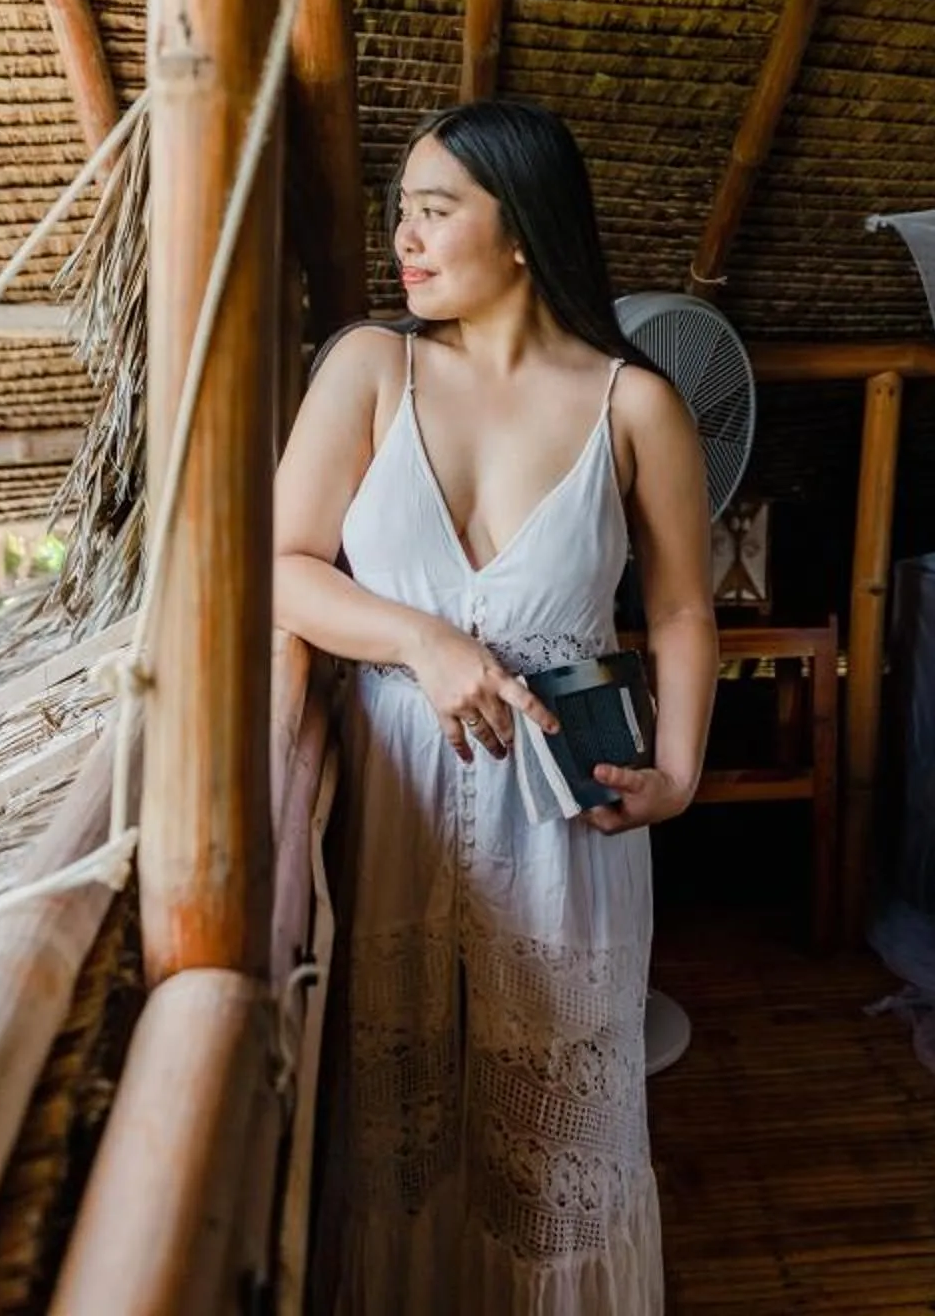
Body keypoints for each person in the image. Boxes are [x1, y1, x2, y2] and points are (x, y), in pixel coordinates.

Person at [275, 99, 717, 1315]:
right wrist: (422, 639)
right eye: (400, 212)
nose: (405, 239)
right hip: (391, 797)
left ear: (518, 229)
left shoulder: (637, 406)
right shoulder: (371, 368)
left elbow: (680, 608)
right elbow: (283, 563)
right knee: (398, 1121)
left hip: (565, 808)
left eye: (435, 209)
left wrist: (678, 773)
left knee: (558, 1129)